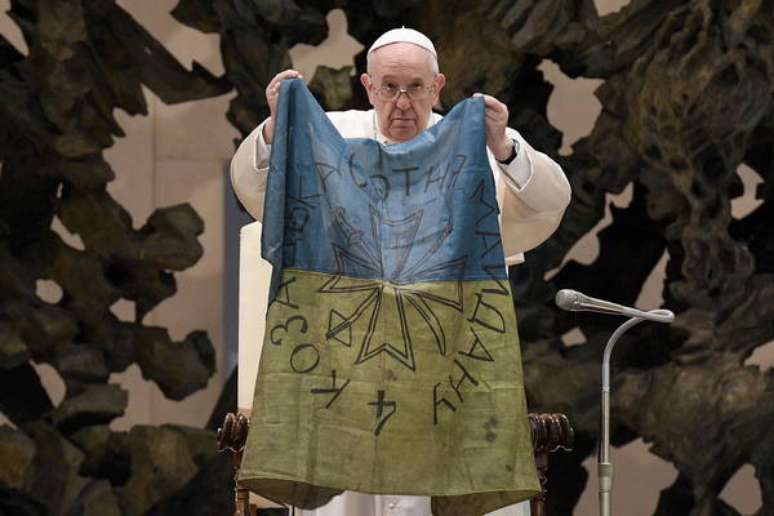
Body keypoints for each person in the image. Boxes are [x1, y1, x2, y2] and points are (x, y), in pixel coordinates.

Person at [230, 27, 571, 516]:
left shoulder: (475, 141)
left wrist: (505, 148)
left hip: (448, 364)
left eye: (416, 87)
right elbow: (252, 185)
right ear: (368, 86)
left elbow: (548, 205)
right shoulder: (330, 136)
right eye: (390, 87)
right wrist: (273, 128)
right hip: (344, 375)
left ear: (439, 86)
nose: (403, 101)